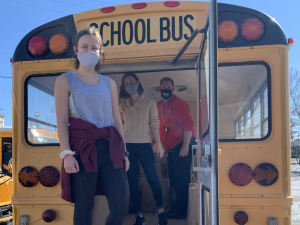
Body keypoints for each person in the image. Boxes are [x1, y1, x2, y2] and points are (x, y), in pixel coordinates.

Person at [54, 27, 130, 225]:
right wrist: (67, 154)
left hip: (110, 148)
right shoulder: (65, 80)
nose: (90, 51)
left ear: (100, 51)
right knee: (85, 207)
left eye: (94, 48)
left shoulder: (109, 84)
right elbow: (62, 120)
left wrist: (124, 154)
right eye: (84, 46)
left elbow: (116, 120)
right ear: (76, 49)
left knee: (120, 205)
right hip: (82, 149)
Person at [119, 72, 168, 225]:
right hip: (128, 148)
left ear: (138, 82)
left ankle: (161, 212)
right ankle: (139, 217)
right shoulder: (122, 106)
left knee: (153, 179)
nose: (129, 85)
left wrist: (159, 145)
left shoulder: (150, 103)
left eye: (131, 82)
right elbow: (120, 128)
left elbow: (155, 124)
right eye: (126, 84)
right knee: (133, 182)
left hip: (145, 146)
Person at [156, 77, 196, 219]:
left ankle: (181, 212)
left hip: (182, 143)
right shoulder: (158, 106)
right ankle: (177, 209)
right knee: (173, 178)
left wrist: (185, 146)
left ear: (172, 90)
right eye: (163, 87)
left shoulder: (179, 103)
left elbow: (188, 124)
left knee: (181, 179)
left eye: (168, 87)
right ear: (159, 89)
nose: (165, 89)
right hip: (171, 148)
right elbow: (155, 127)